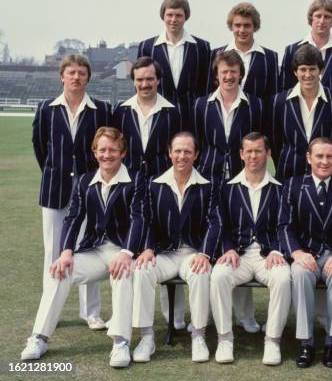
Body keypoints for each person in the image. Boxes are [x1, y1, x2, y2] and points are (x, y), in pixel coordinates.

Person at [21, 127, 144, 368]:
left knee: (122, 272)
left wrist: (127, 252)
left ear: (123, 153)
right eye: (102, 150)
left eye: (113, 150)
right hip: (95, 250)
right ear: (94, 152)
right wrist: (66, 252)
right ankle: (39, 338)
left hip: (122, 249)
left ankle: (120, 342)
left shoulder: (137, 179)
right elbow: (73, 218)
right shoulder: (85, 180)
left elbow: (139, 218)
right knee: (59, 272)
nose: (107, 155)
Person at [32, 53, 111, 331]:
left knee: (87, 249)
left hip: (90, 193)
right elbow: (41, 148)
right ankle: (49, 309)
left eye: (81, 72)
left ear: (88, 77)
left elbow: (107, 147)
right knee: (53, 251)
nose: (76, 77)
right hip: (55, 192)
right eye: (71, 72)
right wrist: (58, 174)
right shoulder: (46, 109)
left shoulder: (101, 109)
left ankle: (90, 312)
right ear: (62, 76)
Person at [131, 132, 221, 363]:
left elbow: (215, 222)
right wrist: (148, 248)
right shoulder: (154, 184)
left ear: (196, 155)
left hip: (193, 252)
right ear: (170, 153)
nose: (182, 156)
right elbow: (147, 220)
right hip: (165, 252)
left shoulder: (208, 185)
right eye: (178, 151)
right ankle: (146, 337)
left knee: (201, 273)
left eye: (188, 151)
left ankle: (198, 336)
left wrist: (204, 253)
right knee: (141, 270)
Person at [112, 56, 184, 330]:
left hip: (162, 188)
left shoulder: (172, 112)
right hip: (129, 187)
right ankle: (125, 315)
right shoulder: (121, 111)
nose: (145, 84)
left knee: (164, 249)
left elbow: (177, 151)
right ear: (133, 81)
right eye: (139, 79)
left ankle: (174, 318)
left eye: (149, 79)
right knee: (129, 249)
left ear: (158, 80)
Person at [210, 132, 290, 365]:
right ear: (241, 154)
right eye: (249, 151)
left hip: (269, 255)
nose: (253, 156)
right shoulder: (227, 189)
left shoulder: (280, 189)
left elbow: (285, 224)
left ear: (268, 153)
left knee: (283, 278)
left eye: (258, 150)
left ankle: (272, 341)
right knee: (219, 275)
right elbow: (220, 225)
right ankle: (225, 339)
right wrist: (228, 248)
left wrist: (277, 250)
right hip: (239, 256)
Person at [278, 138, 332, 368]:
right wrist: (296, 252)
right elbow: (284, 225)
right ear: (308, 158)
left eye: (329, 157)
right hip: (305, 252)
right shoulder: (293, 185)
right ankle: (307, 343)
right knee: (300, 274)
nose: (324, 161)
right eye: (319, 156)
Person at [269, 44, 332, 182]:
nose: (308, 74)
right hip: (289, 176)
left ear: (321, 70)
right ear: (295, 71)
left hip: (327, 177)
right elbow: (275, 142)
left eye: (312, 69)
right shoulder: (278, 102)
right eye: (303, 69)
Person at [138, 0, 211, 132]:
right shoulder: (147, 47)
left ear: (185, 17)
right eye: (169, 15)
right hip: (158, 114)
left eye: (178, 15)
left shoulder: (202, 47)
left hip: (193, 116)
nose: (173, 20)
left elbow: (206, 86)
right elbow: (140, 83)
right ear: (163, 16)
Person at [194, 50, 263, 182]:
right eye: (224, 72)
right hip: (208, 175)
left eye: (233, 71)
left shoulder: (256, 105)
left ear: (241, 74)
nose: (229, 76)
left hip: (243, 175)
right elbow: (198, 141)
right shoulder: (201, 105)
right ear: (216, 75)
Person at [279, 0, 332, 105]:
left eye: (327, 17)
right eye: (318, 16)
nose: (322, 21)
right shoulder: (292, 50)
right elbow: (284, 87)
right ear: (311, 18)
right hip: (300, 113)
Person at [208, 2, 278, 103]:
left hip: (258, 117)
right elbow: (209, 92)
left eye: (247, 25)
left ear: (254, 27)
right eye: (237, 25)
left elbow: (273, 96)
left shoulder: (270, 57)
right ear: (231, 26)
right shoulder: (216, 55)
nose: (242, 30)